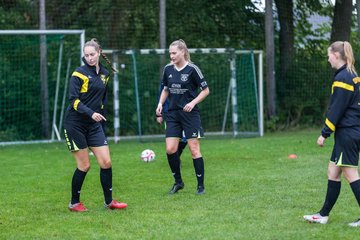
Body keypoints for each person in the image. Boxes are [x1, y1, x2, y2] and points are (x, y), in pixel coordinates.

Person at [63, 38, 127, 212]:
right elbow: (73, 101)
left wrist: (101, 120)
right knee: (85, 165)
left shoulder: (105, 74)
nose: (90, 58)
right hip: (75, 124)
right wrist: (91, 113)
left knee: (106, 162)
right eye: (86, 55)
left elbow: (102, 100)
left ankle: (109, 202)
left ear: (99, 53)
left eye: (92, 54)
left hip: (94, 125)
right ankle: (74, 203)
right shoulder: (79, 73)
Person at [303, 41, 360, 227]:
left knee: (350, 174)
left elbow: (336, 110)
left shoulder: (343, 78)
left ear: (336, 55)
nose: (328, 59)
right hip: (350, 132)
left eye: (329, 55)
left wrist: (324, 133)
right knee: (333, 172)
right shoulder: (351, 74)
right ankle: (323, 215)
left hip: (347, 133)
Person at [156, 39, 210, 195]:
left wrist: (192, 103)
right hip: (172, 114)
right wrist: (160, 104)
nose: (171, 56)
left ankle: (200, 186)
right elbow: (166, 89)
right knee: (170, 149)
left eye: (174, 53)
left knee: (194, 150)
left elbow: (206, 90)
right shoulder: (168, 69)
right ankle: (178, 182)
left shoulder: (193, 69)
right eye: (170, 53)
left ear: (183, 52)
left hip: (190, 115)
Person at [156, 81, 188, 158]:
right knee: (173, 138)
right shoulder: (166, 79)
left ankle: (177, 156)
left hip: (185, 112)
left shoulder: (185, 78)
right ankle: (175, 159)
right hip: (169, 113)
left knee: (185, 138)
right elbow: (161, 96)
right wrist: (158, 115)